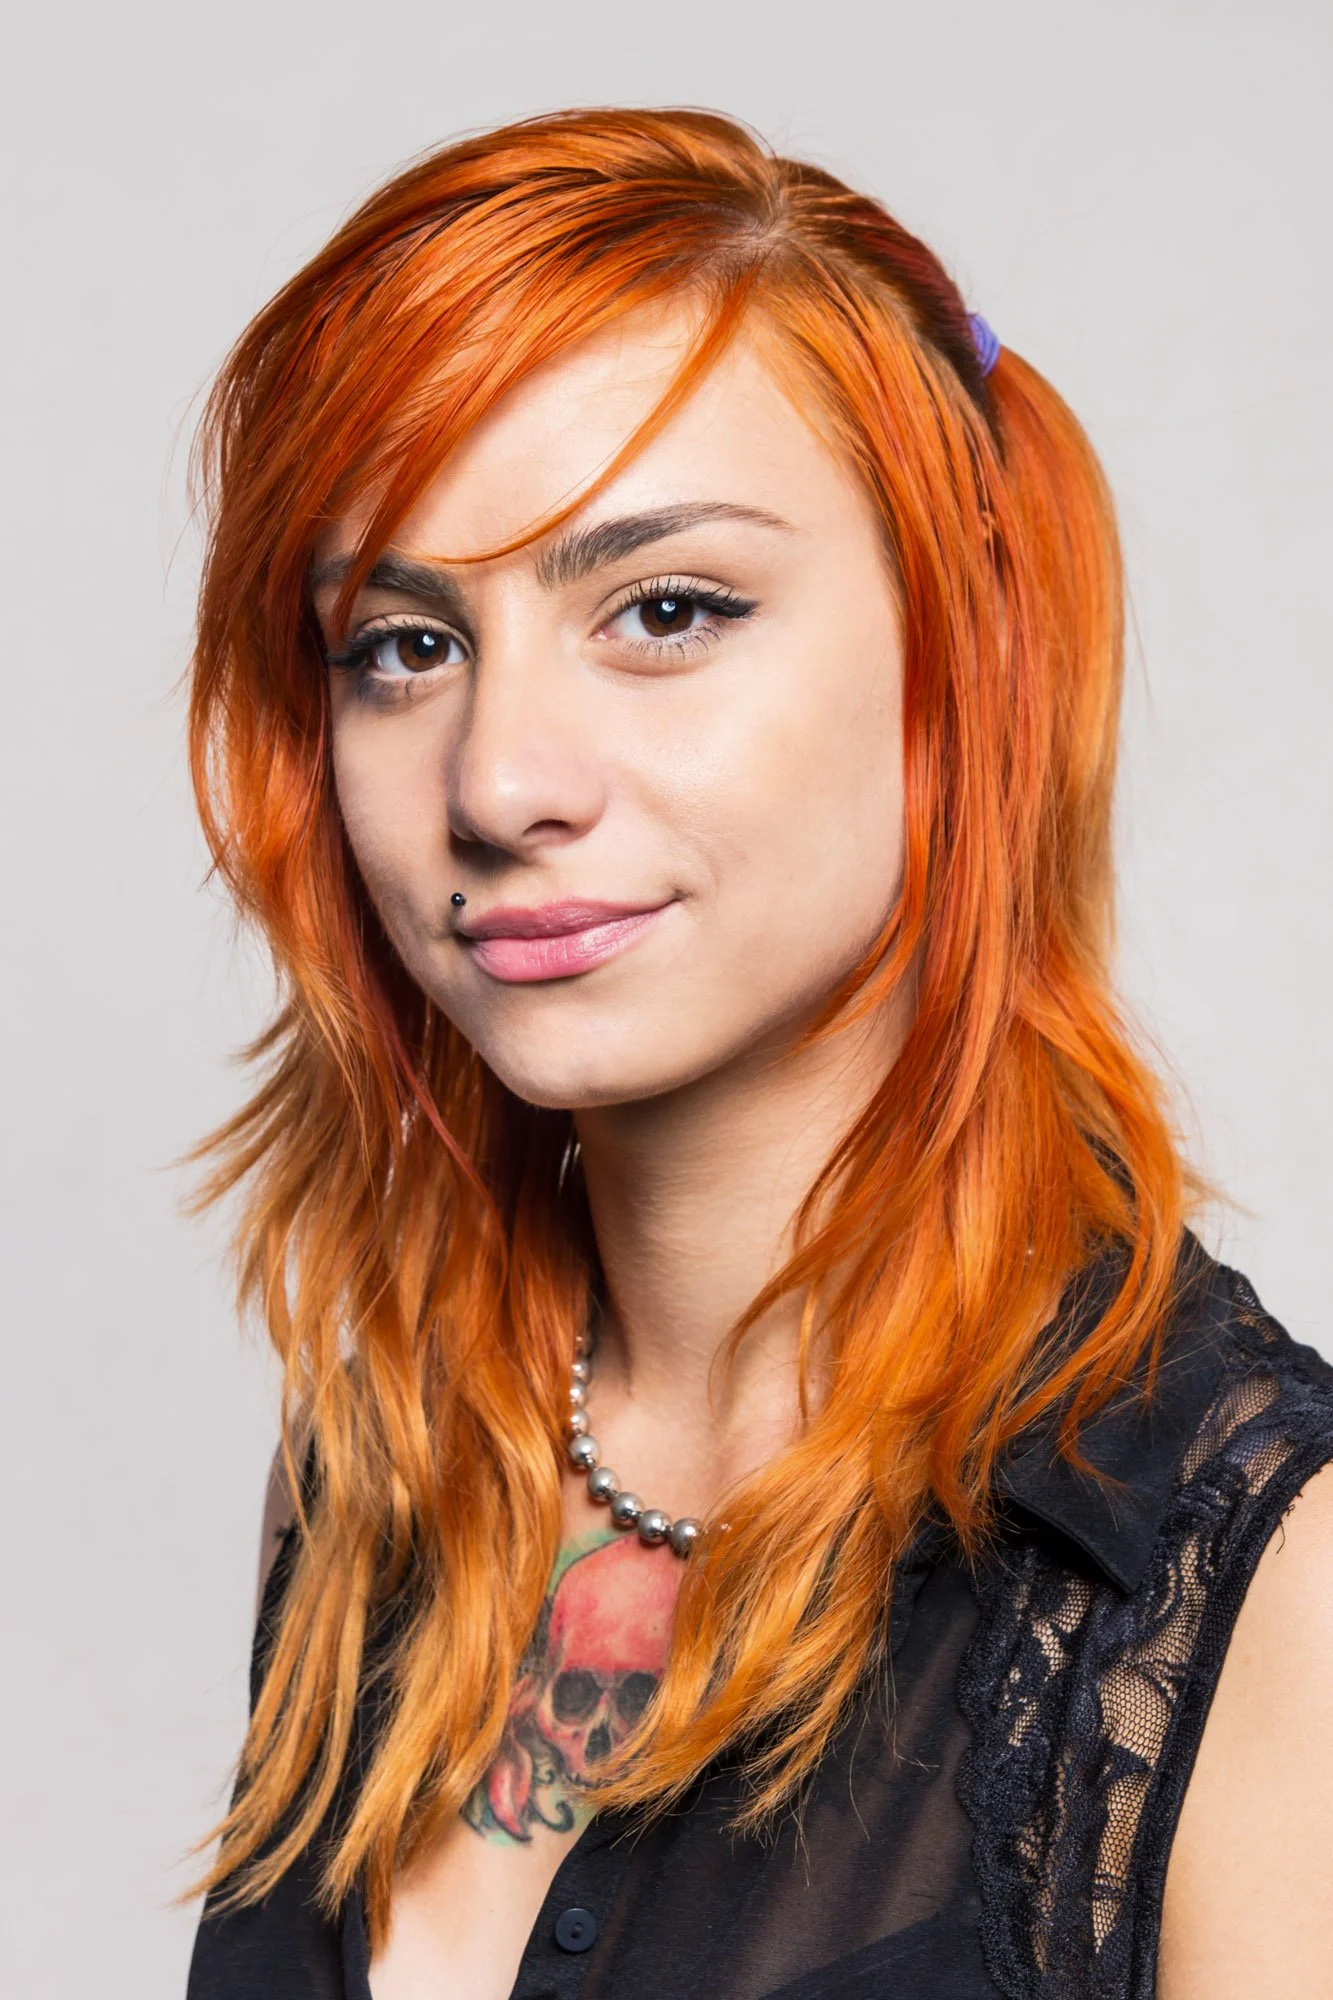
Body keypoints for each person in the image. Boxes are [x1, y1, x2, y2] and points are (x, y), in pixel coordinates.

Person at [183, 108, 1333, 2000]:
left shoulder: (1251, 1602)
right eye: (400, 645)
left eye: (665, 611)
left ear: (959, 663)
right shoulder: (382, 1464)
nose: (498, 782)